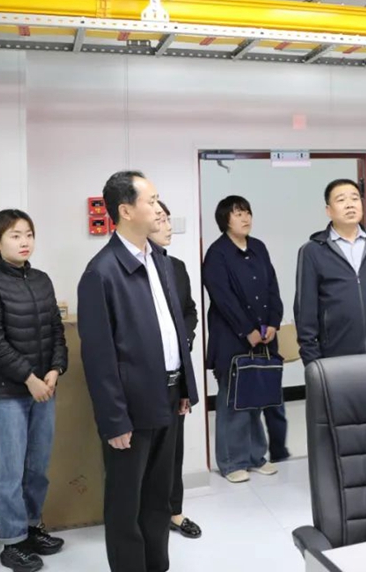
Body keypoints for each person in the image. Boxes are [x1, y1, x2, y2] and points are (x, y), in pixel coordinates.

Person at [78, 171, 198, 572]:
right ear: (126, 211)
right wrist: (114, 420)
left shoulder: (160, 260)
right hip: (131, 406)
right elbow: (98, 356)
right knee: (126, 504)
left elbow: (175, 328)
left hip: (168, 396)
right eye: (151, 201)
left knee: (158, 498)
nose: (159, 208)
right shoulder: (101, 272)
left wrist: (184, 386)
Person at [0, 209, 68, 572]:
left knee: (37, 467)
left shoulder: (41, 280)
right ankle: (11, 542)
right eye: (15, 235)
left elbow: (56, 329)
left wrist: (55, 370)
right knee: (8, 472)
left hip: (44, 390)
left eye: (28, 234)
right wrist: (29, 378)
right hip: (6, 395)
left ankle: (31, 525)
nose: (24, 241)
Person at [202, 195, 287, 483]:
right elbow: (223, 298)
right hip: (232, 339)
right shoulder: (217, 254)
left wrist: (273, 322)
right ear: (225, 220)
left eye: (247, 212)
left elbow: (273, 287)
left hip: (264, 337)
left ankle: (255, 457)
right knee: (233, 401)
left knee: (256, 398)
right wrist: (247, 330)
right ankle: (231, 462)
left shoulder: (258, 247)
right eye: (238, 213)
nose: (245, 218)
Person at [294, 178, 366, 365]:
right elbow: (305, 310)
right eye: (341, 200)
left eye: (355, 198)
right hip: (335, 356)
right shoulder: (312, 251)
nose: (349, 205)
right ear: (328, 211)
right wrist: (312, 359)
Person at [150, 200, 202, 540]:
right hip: (145, 378)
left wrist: (184, 339)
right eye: (160, 220)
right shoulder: (129, 270)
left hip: (175, 372)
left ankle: (174, 511)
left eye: (169, 219)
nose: (168, 226)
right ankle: (149, 516)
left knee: (174, 451)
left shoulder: (177, 267)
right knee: (146, 455)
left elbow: (190, 311)